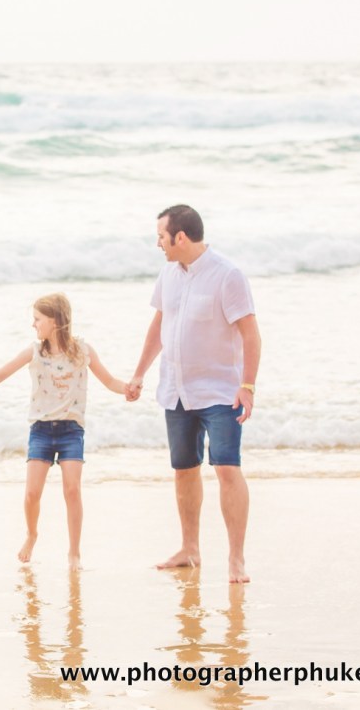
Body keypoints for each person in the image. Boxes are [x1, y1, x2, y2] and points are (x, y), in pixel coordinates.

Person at [126, 205, 261, 584]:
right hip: (176, 390)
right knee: (184, 470)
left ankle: (236, 558)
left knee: (226, 469)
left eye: (161, 237)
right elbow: (159, 325)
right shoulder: (168, 273)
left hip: (220, 391)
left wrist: (247, 385)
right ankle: (190, 548)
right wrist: (139, 373)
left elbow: (251, 333)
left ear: (180, 237)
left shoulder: (227, 276)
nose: (158, 244)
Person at [0, 293, 128, 570]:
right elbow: (0, 374)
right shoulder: (34, 351)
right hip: (40, 430)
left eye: (37, 319)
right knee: (31, 494)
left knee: (72, 490)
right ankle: (32, 534)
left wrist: (128, 388)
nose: (33, 325)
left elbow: (109, 380)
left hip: (72, 429)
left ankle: (74, 552)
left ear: (54, 320)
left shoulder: (83, 351)